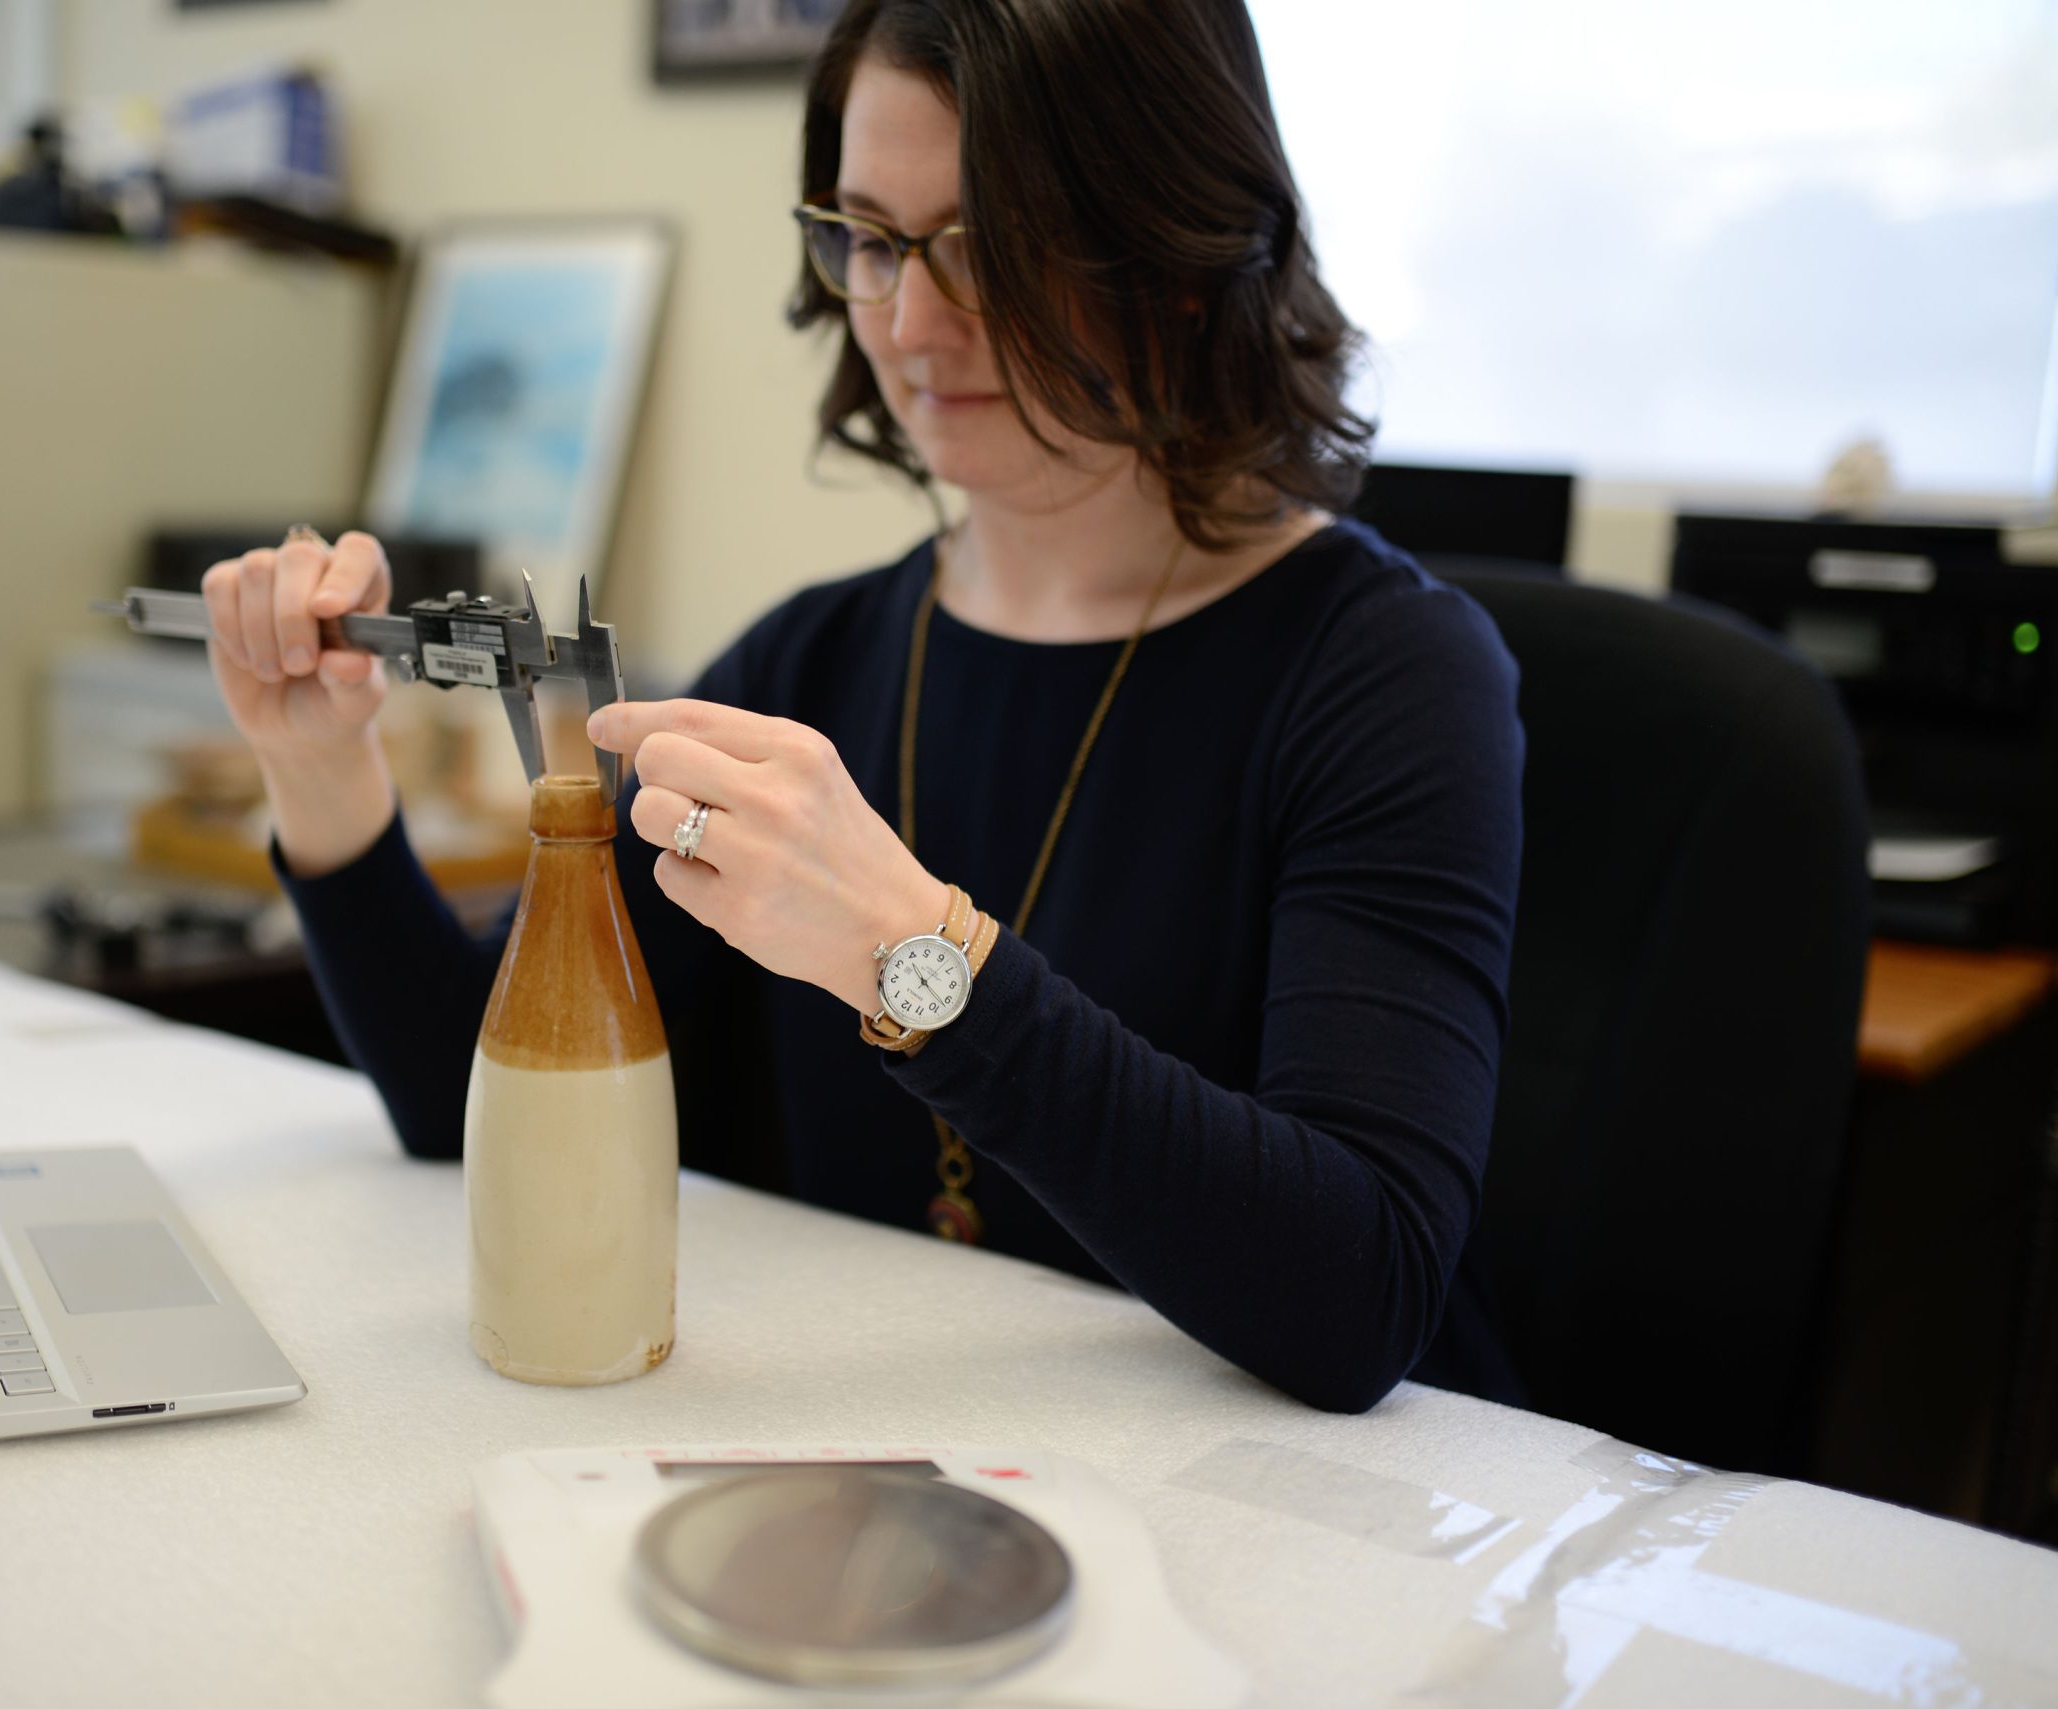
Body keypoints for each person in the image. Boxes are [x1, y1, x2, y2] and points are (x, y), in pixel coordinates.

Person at [199, 0, 1526, 1413]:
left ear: (1187, 251)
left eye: (992, 247)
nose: (909, 318)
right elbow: (479, 1109)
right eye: (872, 238)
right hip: (911, 1471)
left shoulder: (1390, 678)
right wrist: (319, 769)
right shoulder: (814, 659)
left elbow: (1358, 1291)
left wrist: (914, 954)